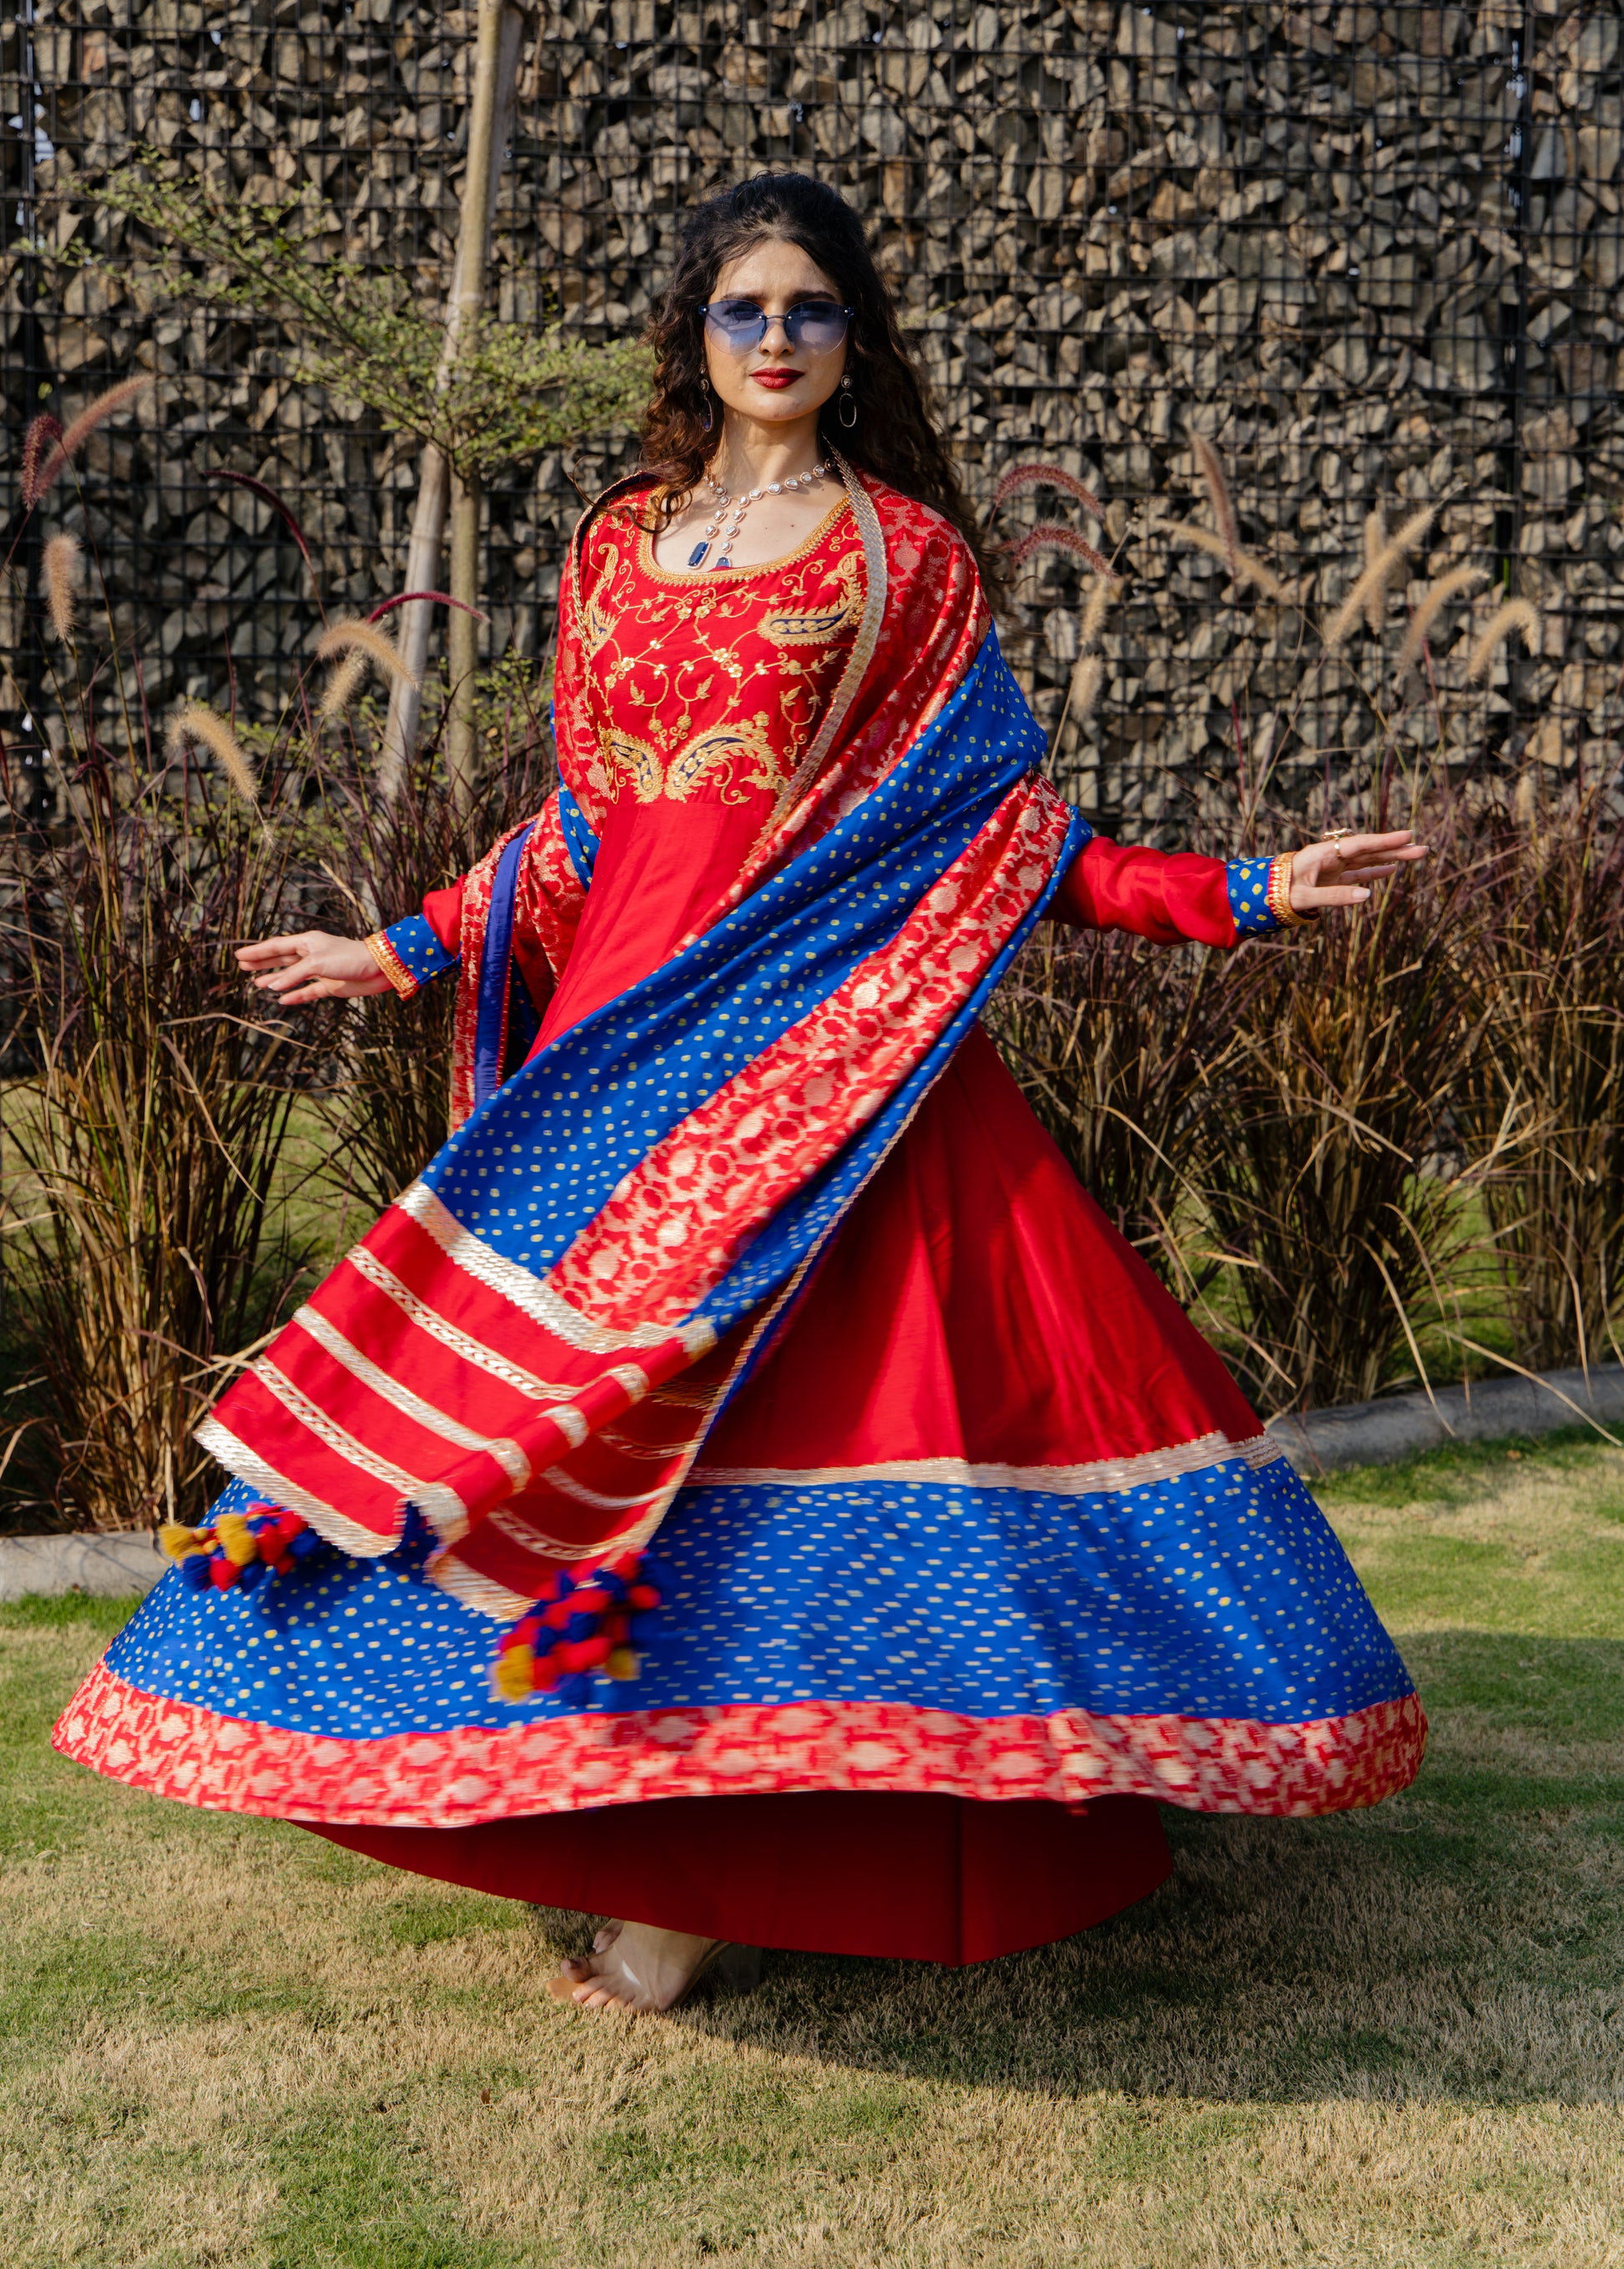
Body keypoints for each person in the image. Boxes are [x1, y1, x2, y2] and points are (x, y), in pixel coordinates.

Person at [57, 174, 1428, 2014]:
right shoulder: (616, 545)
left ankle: (691, 1899)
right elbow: (587, 826)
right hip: (619, 1067)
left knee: (750, 1466)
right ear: (691, 336)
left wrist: (1236, 891)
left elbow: (1007, 834)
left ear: (854, 342)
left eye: (810, 308)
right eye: (742, 308)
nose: (775, 337)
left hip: (831, 1075)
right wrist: (399, 947)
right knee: (582, 1452)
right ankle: (625, 1840)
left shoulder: (902, 563)